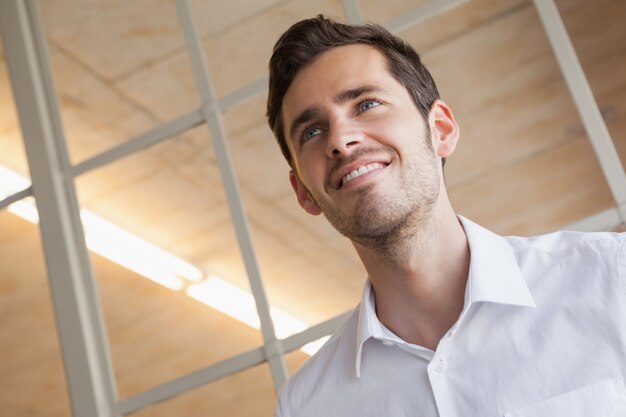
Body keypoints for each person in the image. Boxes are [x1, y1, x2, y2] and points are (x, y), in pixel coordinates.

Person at [266, 15, 626, 417]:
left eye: (367, 104)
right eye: (311, 132)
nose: (340, 139)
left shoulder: (612, 278)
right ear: (303, 192)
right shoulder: (308, 406)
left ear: (440, 128)